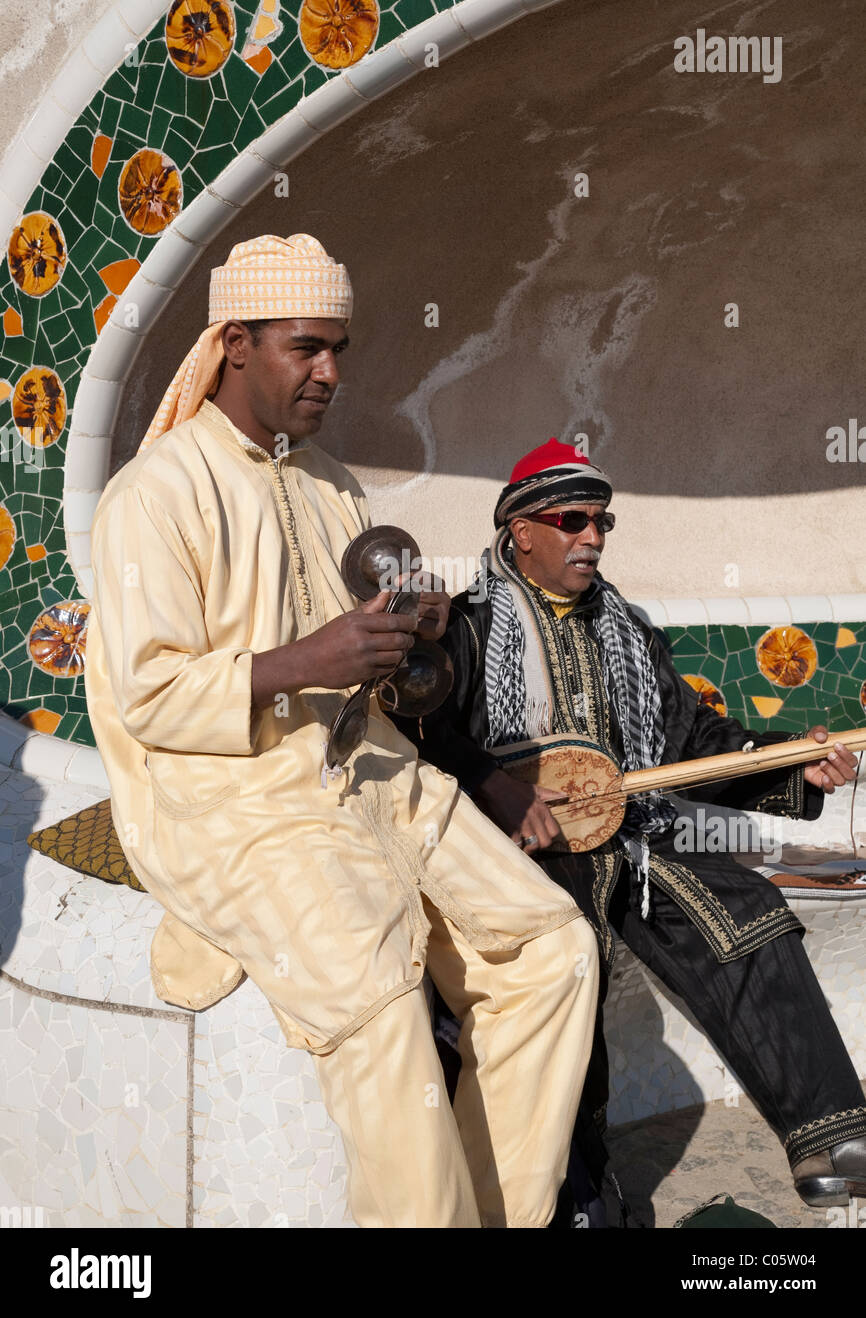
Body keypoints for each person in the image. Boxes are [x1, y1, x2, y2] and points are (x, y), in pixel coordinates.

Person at [83, 240, 599, 1229]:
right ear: (234, 344)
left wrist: (415, 633)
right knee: (378, 1008)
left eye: (339, 349)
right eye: (305, 348)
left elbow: (378, 676)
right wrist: (307, 660)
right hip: (236, 803)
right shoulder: (156, 494)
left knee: (551, 953)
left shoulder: (330, 484)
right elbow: (145, 695)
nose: (331, 372)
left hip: (375, 779)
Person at [401, 437, 866, 1211]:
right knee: (565, 962)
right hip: (517, 854)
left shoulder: (628, 631)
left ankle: (832, 1142)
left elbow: (698, 743)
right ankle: (572, 1193)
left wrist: (792, 762)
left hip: (632, 842)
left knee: (747, 915)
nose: (593, 538)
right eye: (573, 520)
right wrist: (496, 787)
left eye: (603, 522)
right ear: (520, 529)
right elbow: (425, 739)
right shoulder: (468, 629)